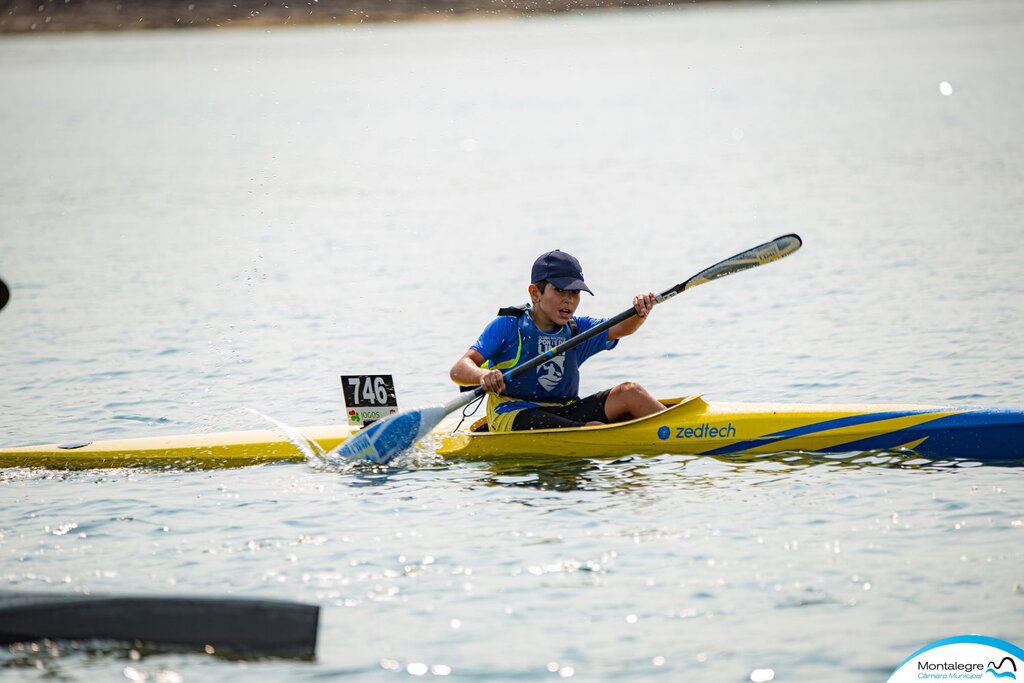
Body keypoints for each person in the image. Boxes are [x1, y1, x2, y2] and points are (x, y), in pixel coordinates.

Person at [449, 249, 666, 432]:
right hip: (514, 414)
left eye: (575, 293)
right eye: (560, 290)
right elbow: (459, 369)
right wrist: (484, 375)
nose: (569, 300)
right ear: (535, 293)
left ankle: (681, 430)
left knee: (631, 392)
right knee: (592, 427)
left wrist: (640, 312)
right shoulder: (508, 325)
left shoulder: (578, 328)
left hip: (565, 409)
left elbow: (620, 327)